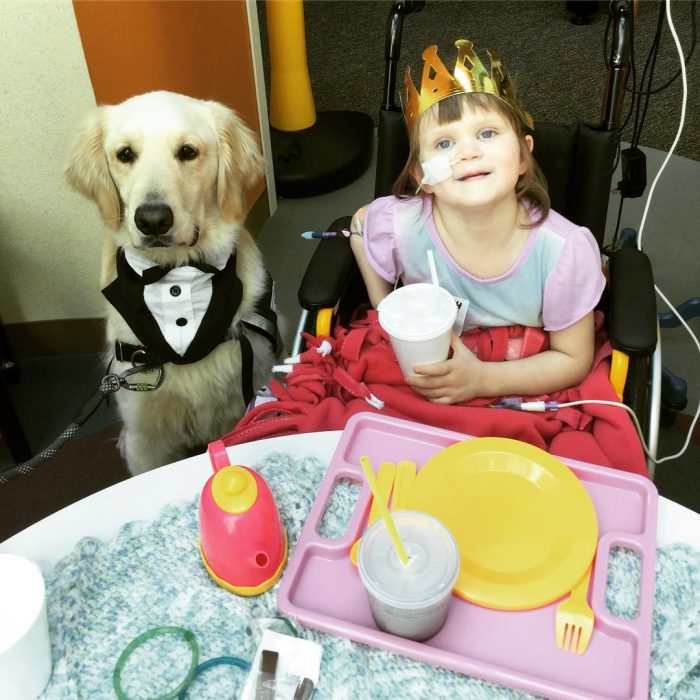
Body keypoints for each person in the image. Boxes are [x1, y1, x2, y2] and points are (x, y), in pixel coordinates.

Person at [350, 39, 605, 405]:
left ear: (522, 158)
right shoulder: (400, 225)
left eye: (487, 134)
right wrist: (384, 307)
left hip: (516, 378)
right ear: (423, 177)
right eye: (443, 144)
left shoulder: (564, 253)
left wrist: (483, 380)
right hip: (429, 368)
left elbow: (573, 359)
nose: (468, 152)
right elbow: (360, 227)